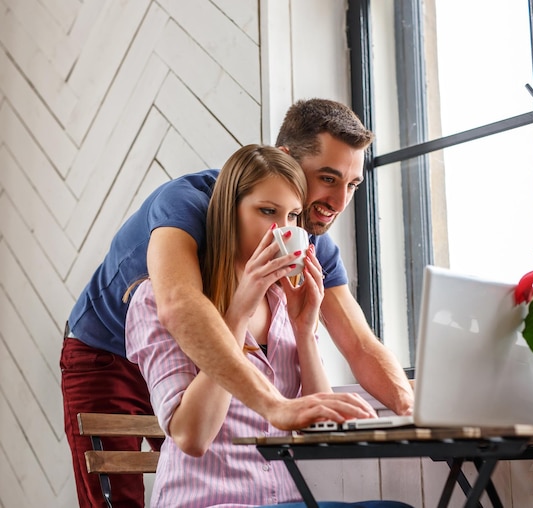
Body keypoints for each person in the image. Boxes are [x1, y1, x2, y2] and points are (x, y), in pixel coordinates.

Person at [61, 98, 414, 506]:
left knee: (199, 456)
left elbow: (358, 343)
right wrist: (273, 403)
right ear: (285, 159)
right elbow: (178, 306)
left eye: (352, 185)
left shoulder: (306, 244)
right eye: (328, 178)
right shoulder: (190, 205)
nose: (339, 203)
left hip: (203, 352)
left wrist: (415, 409)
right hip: (107, 351)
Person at [126, 144, 390, 507]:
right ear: (227, 213)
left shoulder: (286, 302)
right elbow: (193, 436)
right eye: (268, 211)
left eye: (294, 216)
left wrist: (303, 329)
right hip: (206, 500)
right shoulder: (156, 300)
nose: (283, 230)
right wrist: (238, 312)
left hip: (286, 500)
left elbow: (318, 435)